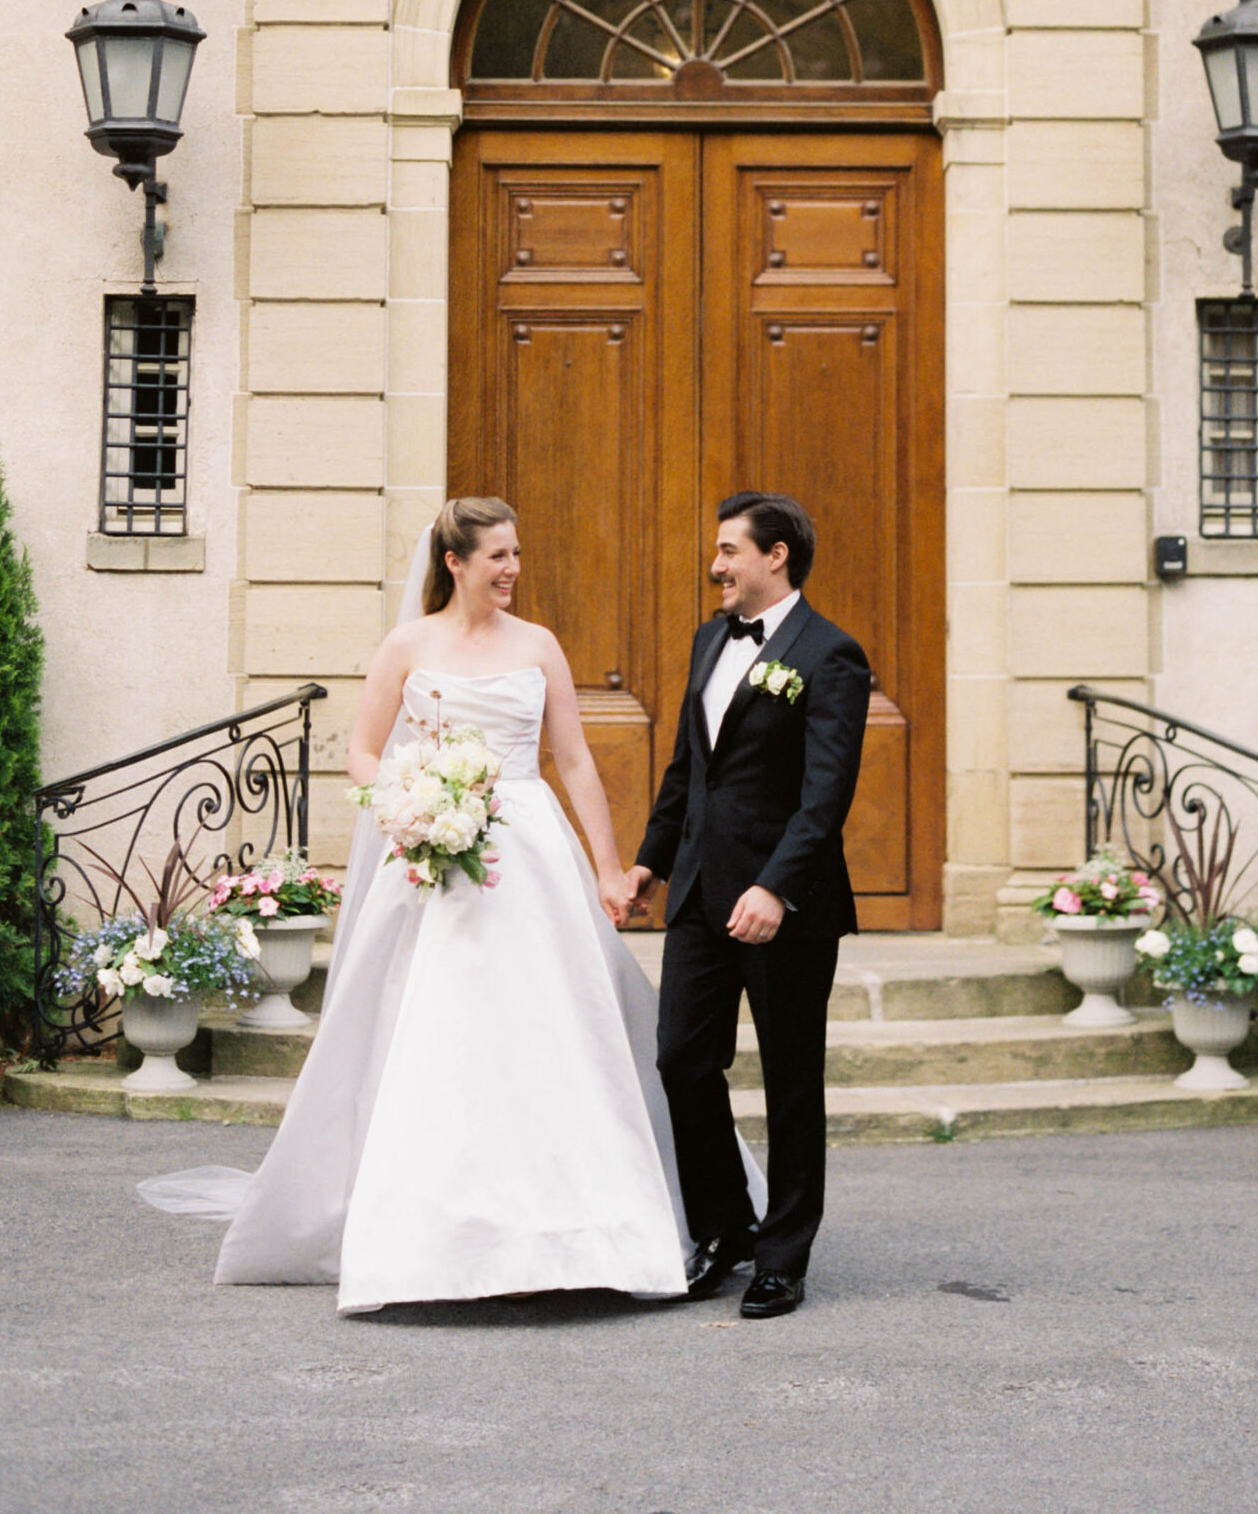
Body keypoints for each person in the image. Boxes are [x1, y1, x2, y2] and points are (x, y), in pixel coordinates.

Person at [141, 497, 699, 1313]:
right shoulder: (407, 646)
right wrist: (416, 801)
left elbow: (573, 761)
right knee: (448, 1032)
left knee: (554, 1026)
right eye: (497, 557)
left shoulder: (538, 646)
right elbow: (363, 755)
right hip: (442, 860)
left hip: (531, 854)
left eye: (515, 554)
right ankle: (435, 1243)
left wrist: (610, 872)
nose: (511, 570)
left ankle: (584, 1232)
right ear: (455, 563)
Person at [627, 491, 870, 1321]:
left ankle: (783, 1255)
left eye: (730, 550)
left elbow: (825, 794)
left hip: (785, 906)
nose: (716, 564)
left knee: (790, 1080)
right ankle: (725, 1226)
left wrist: (776, 886)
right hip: (698, 893)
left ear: (777, 557)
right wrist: (649, 863)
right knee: (680, 1060)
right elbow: (686, 768)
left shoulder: (831, 654)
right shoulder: (708, 640)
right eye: (717, 550)